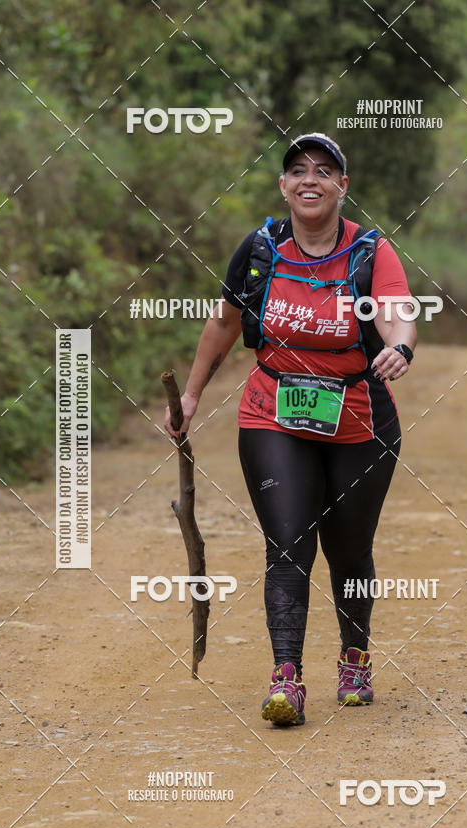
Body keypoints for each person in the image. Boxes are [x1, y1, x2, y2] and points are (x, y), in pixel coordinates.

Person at [165, 132, 416, 726]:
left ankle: (355, 658)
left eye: (324, 171)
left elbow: (396, 308)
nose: (310, 179)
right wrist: (193, 395)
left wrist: (400, 347)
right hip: (272, 412)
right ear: (283, 186)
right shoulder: (261, 248)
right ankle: (287, 679)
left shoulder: (370, 251)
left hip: (359, 415)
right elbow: (224, 323)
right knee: (288, 544)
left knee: (348, 548)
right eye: (298, 170)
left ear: (341, 187)